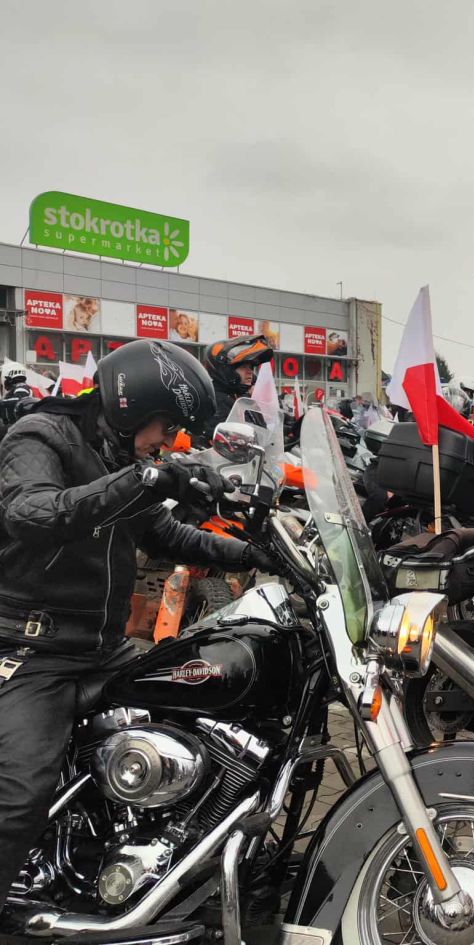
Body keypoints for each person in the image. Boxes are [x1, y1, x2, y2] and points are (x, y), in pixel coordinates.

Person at [0, 340, 277, 905]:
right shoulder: (40, 436)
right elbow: (31, 513)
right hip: (33, 648)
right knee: (19, 792)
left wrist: (258, 554)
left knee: (198, 705)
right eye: (164, 425)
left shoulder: (120, 458)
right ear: (133, 406)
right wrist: (146, 480)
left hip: (103, 647)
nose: (166, 441)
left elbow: (164, 534)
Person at [205, 333, 274, 427]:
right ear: (226, 370)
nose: (250, 372)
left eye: (251, 367)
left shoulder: (246, 400)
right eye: (244, 367)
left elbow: (262, 431)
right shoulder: (213, 401)